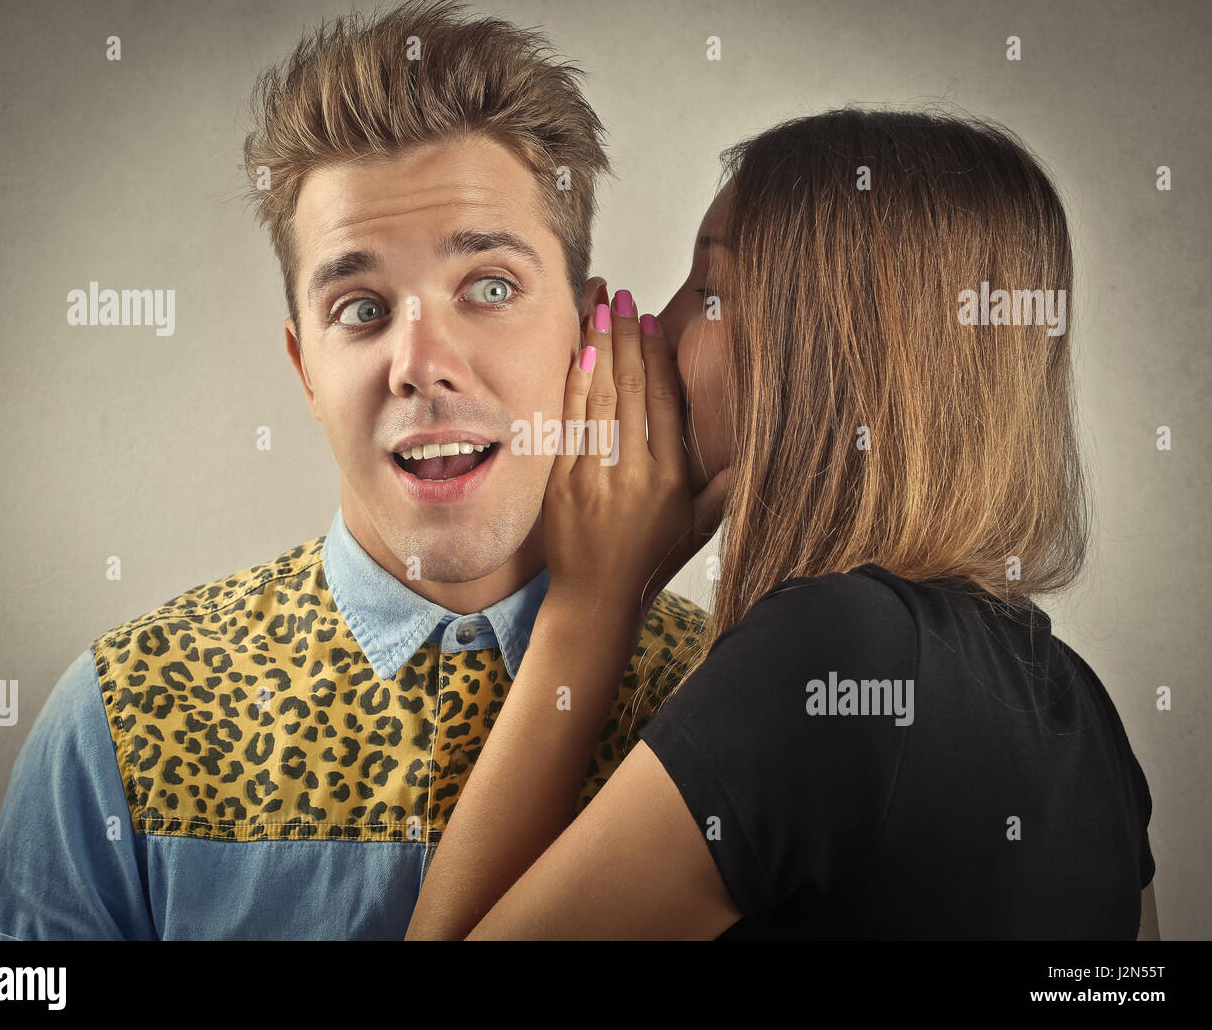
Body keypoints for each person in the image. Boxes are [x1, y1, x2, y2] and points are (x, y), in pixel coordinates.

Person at [0, 0, 713, 941]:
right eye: (360, 307)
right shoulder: (125, 716)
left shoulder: (722, 698)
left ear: (588, 328)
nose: (420, 361)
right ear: (303, 365)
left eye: (488, 286)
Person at [405, 108, 1161, 941]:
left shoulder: (833, 649)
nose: (655, 326)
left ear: (837, 351)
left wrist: (595, 602)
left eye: (713, 292)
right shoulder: (1079, 703)